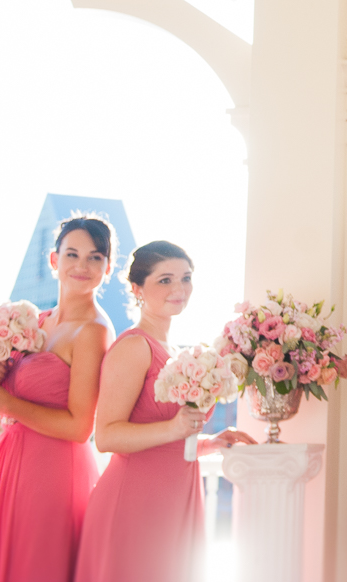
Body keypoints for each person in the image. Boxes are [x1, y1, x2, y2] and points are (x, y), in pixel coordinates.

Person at [74, 241, 253, 582]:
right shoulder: (133, 347)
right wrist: (174, 428)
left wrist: (207, 443)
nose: (179, 289)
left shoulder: (176, 352)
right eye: (165, 280)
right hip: (135, 504)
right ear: (137, 289)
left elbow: (166, 440)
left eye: (185, 278)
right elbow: (108, 436)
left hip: (176, 497)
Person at [0, 217, 116, 582]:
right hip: (10, 462)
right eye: (72, 254)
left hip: (53, 472)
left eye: (95, 258)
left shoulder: (92, 332)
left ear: (107, 269)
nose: (81, 266)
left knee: (35, 567)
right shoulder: (37, 321)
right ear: (53, 260)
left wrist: (7, 402)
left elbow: (80, 428)